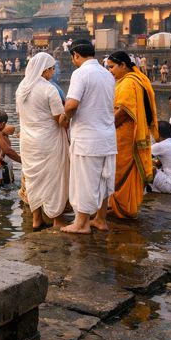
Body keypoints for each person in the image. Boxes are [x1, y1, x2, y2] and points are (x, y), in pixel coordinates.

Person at [58, 39, 116, 234]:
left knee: (85, 180)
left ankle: (82, 224)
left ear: (76, 55)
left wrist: (65, 116)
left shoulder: (80, 73)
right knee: (103, 180)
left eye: (73, 58)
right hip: (107, 137)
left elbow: (72, 104)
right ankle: (100, 220)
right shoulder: (107, 74)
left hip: (87, 138)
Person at [15, 52, 69, 229]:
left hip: (28, 141)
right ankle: (57, 218)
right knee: (54, 177)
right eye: (52, 69)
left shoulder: (22, 87)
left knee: (33, 179)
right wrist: (70, 114)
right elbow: (58, 119)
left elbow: (19, 114)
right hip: (48, 140)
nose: (53, 72)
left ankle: (37, 219)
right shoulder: (49, 89)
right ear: (44, 70)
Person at [105, 51, 158, 219]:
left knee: (120, 170)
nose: (110, 71)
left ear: (123, 65)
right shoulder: (138, 79)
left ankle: (123, 207)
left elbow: (123, 112)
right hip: (128, 132)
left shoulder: (128, 83)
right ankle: (121, 206)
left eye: (112, 67)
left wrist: (106, 127)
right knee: (123, 170)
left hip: (124, 133)